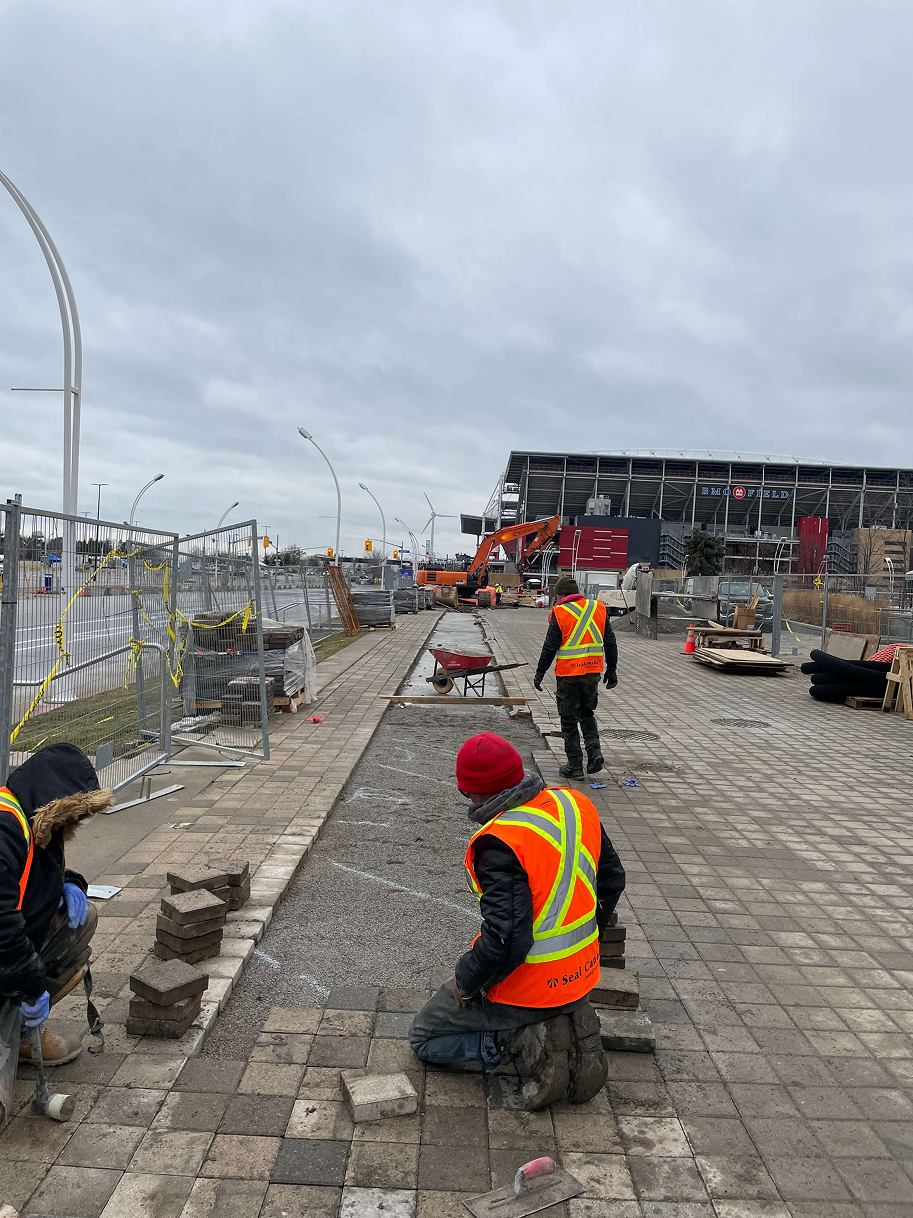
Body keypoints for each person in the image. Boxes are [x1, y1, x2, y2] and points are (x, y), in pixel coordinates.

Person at [410, 733, 625, 1110]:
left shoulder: (501, 840)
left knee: (425, 1039)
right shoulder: (575, 803)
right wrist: (589, 941)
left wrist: (466, 982)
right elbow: (612, 880)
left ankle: (520, 1043)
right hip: (584, 974)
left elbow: (507, 941)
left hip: (531, 988)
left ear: (474, 793)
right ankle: (567, 1015)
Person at [0, 744, 111, 1070]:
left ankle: (20, 1031)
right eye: (71, 814)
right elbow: (3, 927)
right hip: (3, 945)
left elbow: (45, 870)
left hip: (9, 949)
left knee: (82, 918)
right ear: (54, 801)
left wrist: (71, 884)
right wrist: (31, 987)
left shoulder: (36, 819)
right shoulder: (7, 831)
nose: (72, 824)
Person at [533, 575, 617, 781]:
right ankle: (594, 752)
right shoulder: (597, 608)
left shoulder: (560, 612)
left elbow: (550, 646)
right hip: (592, 673)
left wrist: (540, 672)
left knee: (569, 720)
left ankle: (575, 765)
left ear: (561, 595)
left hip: (569, 675)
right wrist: (612, 668)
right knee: (587, 714)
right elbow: (610, 641)